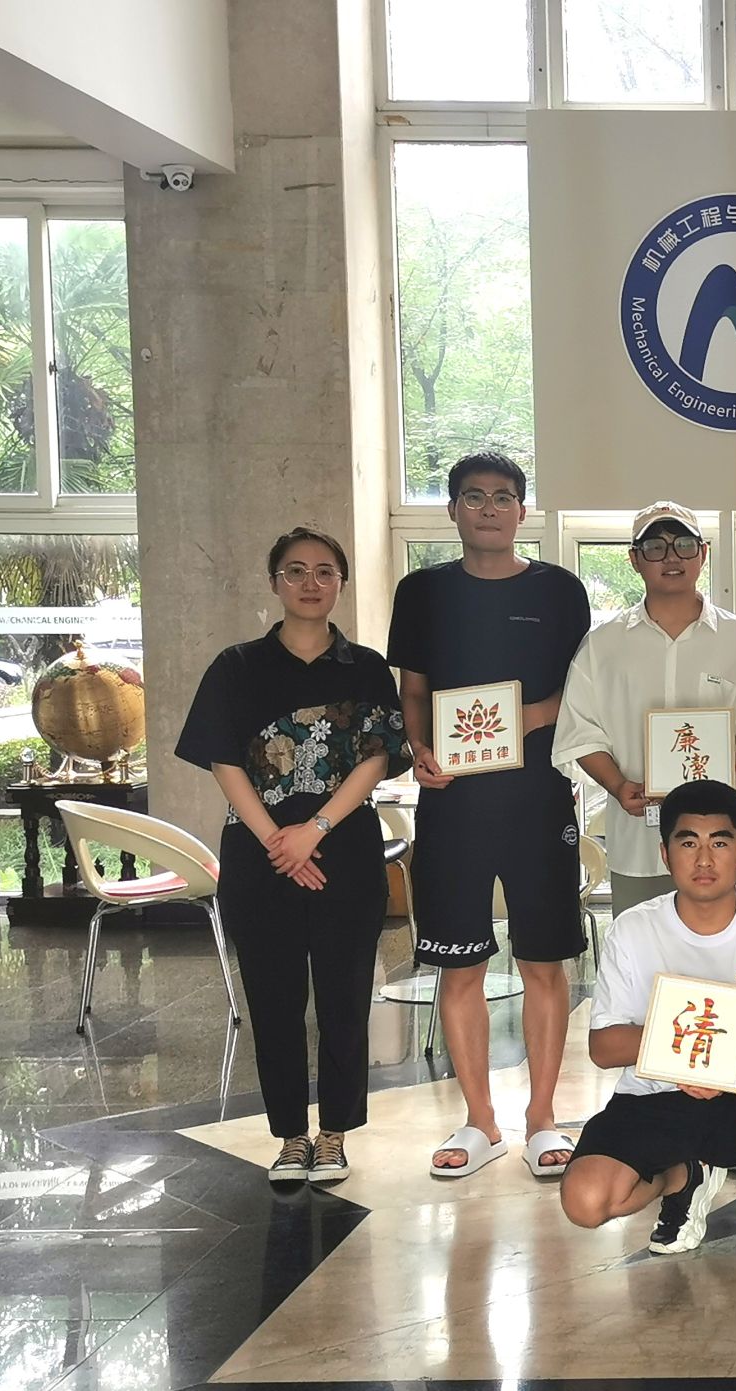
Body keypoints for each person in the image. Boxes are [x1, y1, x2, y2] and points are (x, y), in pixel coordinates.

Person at [177, 528, 412, 1184]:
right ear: (274, 581)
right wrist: (278, 841)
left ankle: (333, 1134)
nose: (311, 582)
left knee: (344, 998)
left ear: (341, 583)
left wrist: (316, 827)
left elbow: (376, 758)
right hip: (259, 857)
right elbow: (223, 760)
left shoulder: (366, 668)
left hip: (346, 851)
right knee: (273, 1001)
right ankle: (289, 1137)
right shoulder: (237, 666)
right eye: (296, 570)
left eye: (325, 571)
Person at [388, 451, 592, 1180]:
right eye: (473, 497)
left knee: (543, 961)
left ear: (522, 511)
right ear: (452, 510)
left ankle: (542, 1118)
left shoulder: (559, 590)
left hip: (538, 799)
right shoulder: (422, 591)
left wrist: (523, 717)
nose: (488, 509)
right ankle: (480, 1120)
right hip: (453, 803)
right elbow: (415, 691)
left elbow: (583, 689)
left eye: (503, 497)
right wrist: (420, 748)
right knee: (460, 965)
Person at [559, 781, 736, 1289]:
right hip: (652, 1096)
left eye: (720, 842)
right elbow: (604, 1047)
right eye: (688, 842)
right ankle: (682, 1176)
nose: (704, 859)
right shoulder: (634, 929)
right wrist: (686, 1058)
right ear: (665, 853)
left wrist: (726, 1068)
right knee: (586, 1202)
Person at [554, 503, 736, 914]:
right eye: (655, 547)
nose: (671, 557)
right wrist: (618, 785)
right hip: (639, 841)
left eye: (684, 545)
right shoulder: (602, 645)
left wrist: (713, 784)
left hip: (723, 840)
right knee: (642, 948)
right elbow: (579, 732)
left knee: (730, 949)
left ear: (703, 553)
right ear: (634, 559)